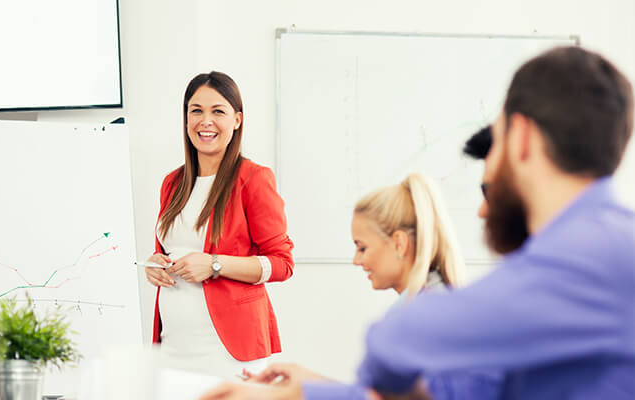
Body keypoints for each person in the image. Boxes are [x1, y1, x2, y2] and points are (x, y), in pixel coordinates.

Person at [204, 46, 635, 399]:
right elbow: (461, 391)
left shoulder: (596, 254)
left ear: (521, 137)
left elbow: (394, 341)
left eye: (494, 142)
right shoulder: (589, 257)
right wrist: (305, 393)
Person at [244, 172, 467, 384]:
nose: (356, 261)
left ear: (399, 244)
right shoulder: (429, 302)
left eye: (362, 248)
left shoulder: (422, 317)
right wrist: (305, 382)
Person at [145, 71, 294, 378]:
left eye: (218, 111)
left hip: (228, 352)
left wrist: (214, 264)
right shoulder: (172, 183)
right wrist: (155, 265)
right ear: (186, 119)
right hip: (173, 346)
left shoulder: (253, 179)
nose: (205, 121)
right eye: (196, 110)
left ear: (237, 120)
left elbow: (282, 264)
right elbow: (171, 250)